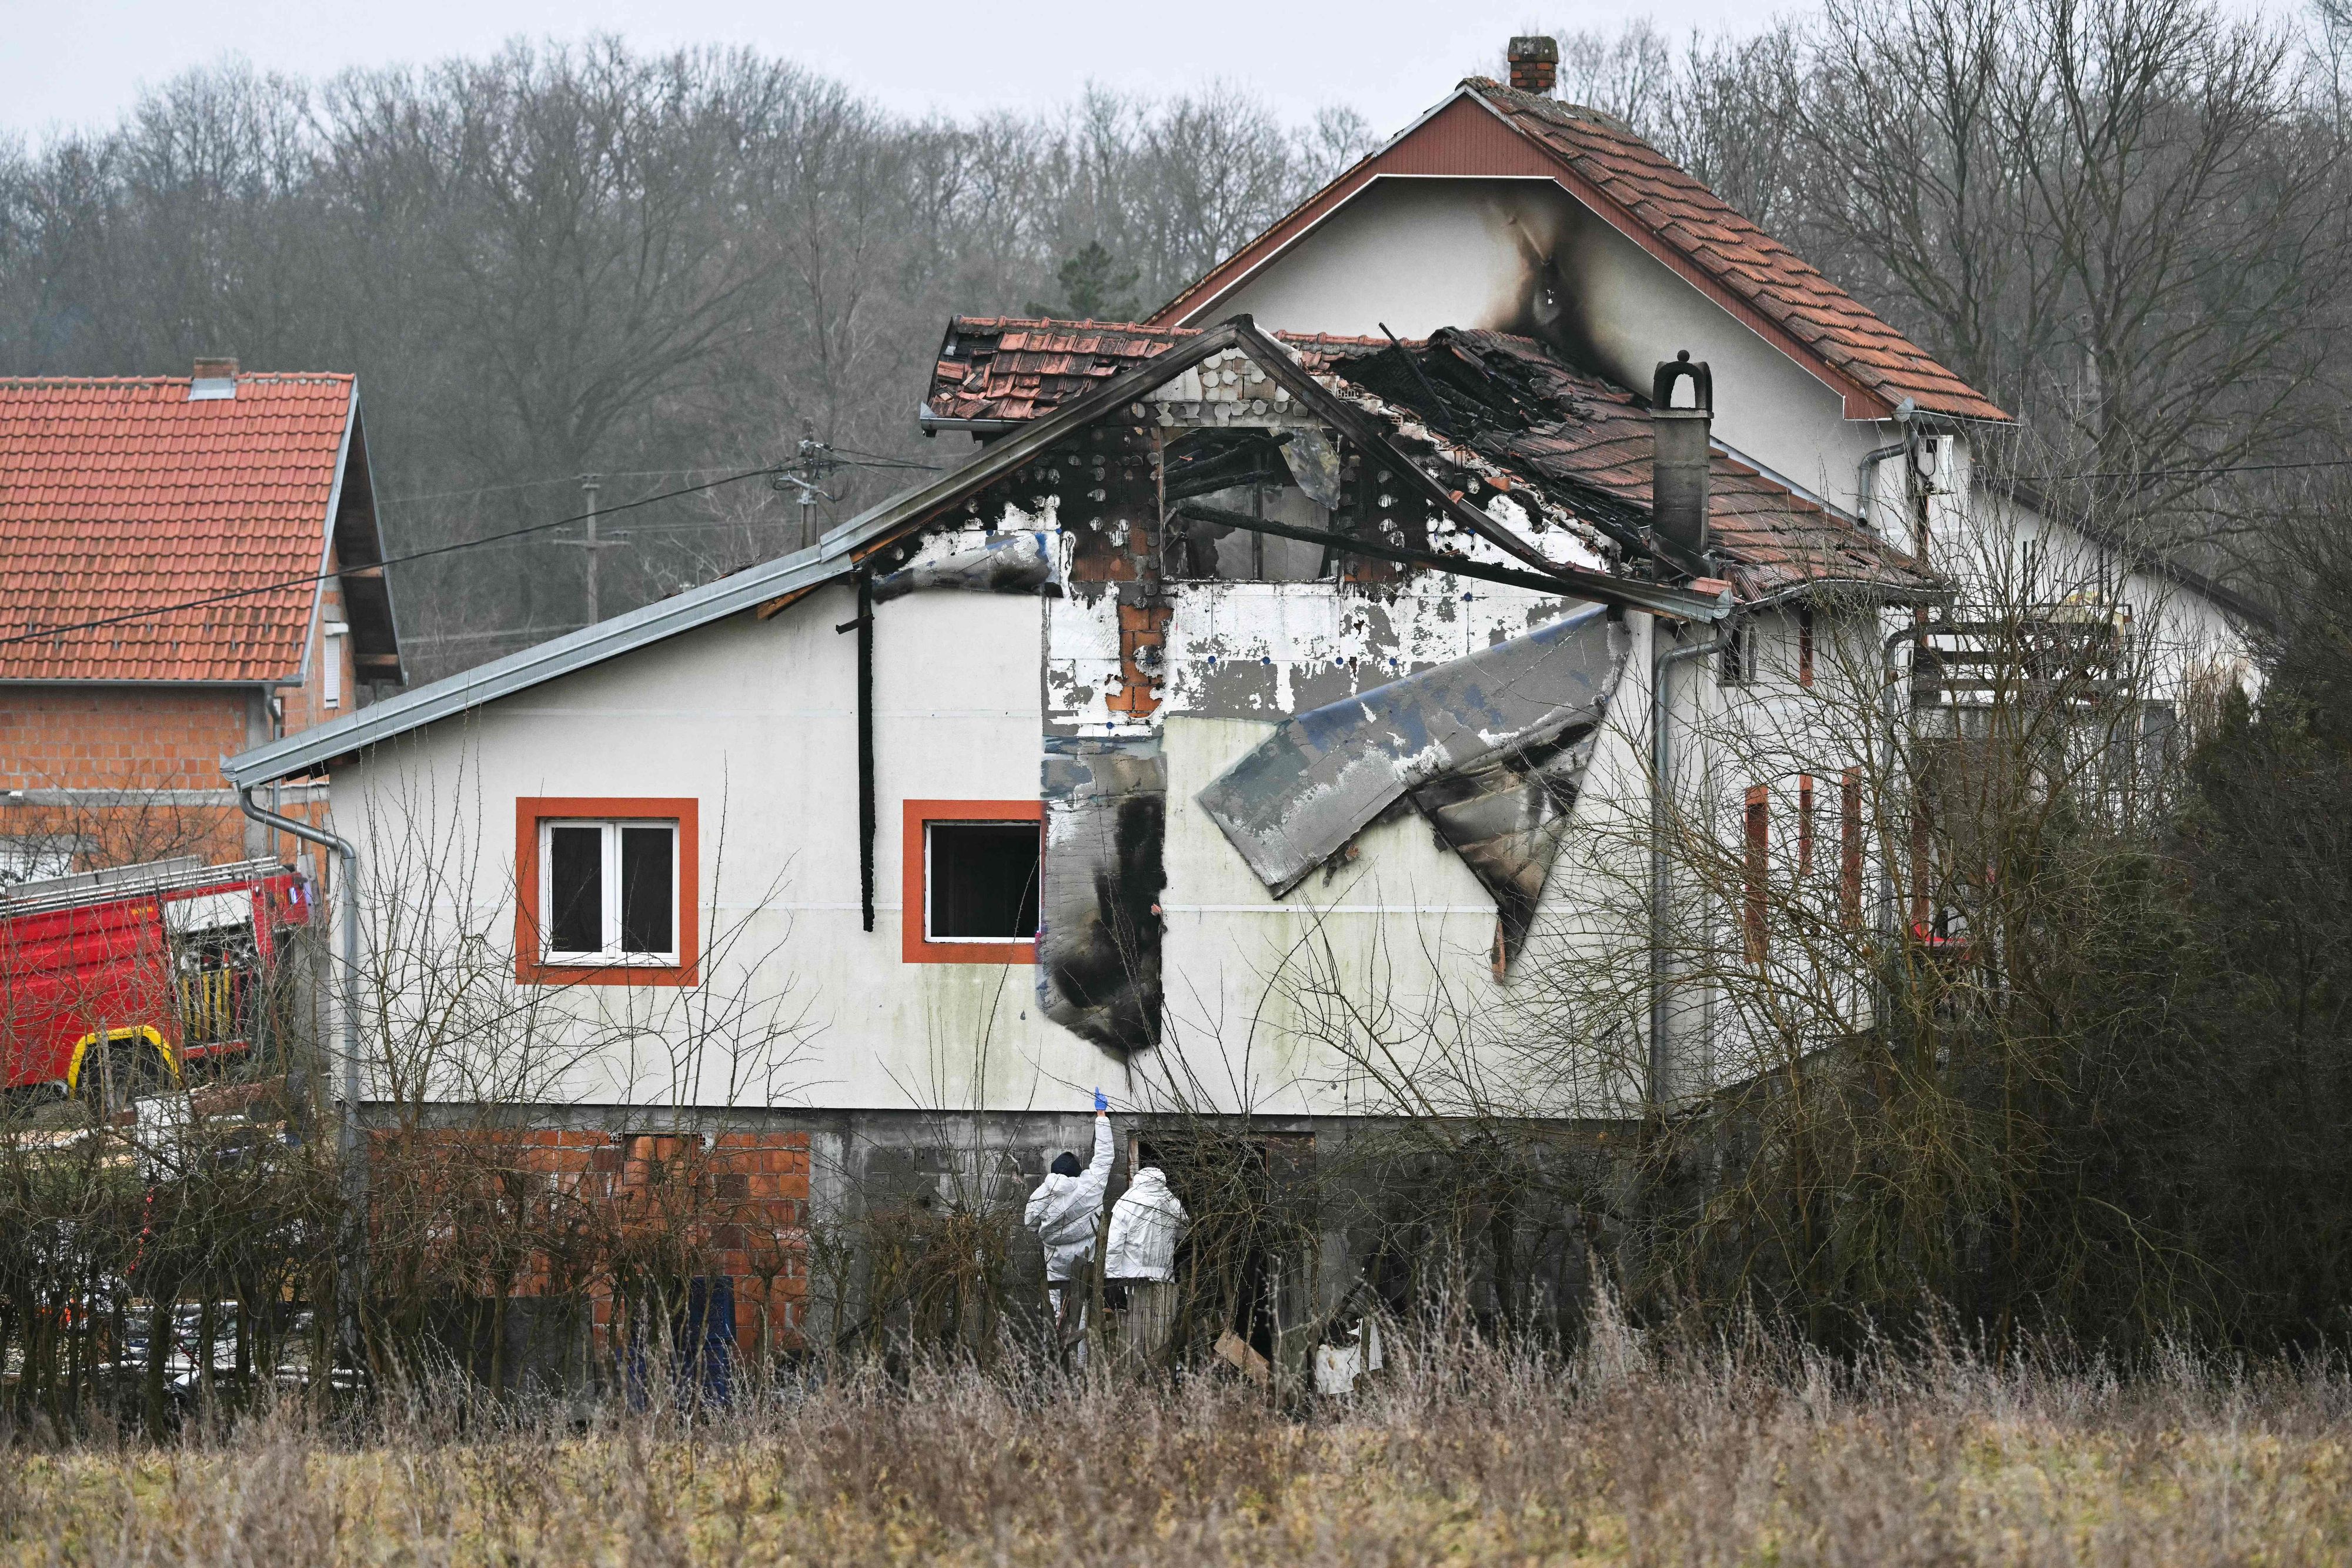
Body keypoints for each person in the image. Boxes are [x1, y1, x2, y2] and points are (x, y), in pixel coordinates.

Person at [1024, 1088, 1112, 1353]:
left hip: (1054, 1257)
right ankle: (1080, 1362)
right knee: (1080, 1307)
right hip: (1084, 1257)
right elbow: (1104, 1158)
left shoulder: (1042, 1193)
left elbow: (1030, 1223)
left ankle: (1052, 1358)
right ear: (1077, 1172)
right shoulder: (1089, 1185)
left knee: (1053, 1304)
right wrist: (1101, 1116)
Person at [1104, 1144, 1190, 1366]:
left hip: (1131, 1280)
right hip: (1164, 1280)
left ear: (1138, 1180)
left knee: (1132, 1338)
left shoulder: (1126, 1203)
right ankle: (1159, 1380)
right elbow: (1185, 1232)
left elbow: (1114, 1247)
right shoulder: (1172, 1202)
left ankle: (1131, 1381)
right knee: (1160, 1336)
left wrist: (1112, 1280)